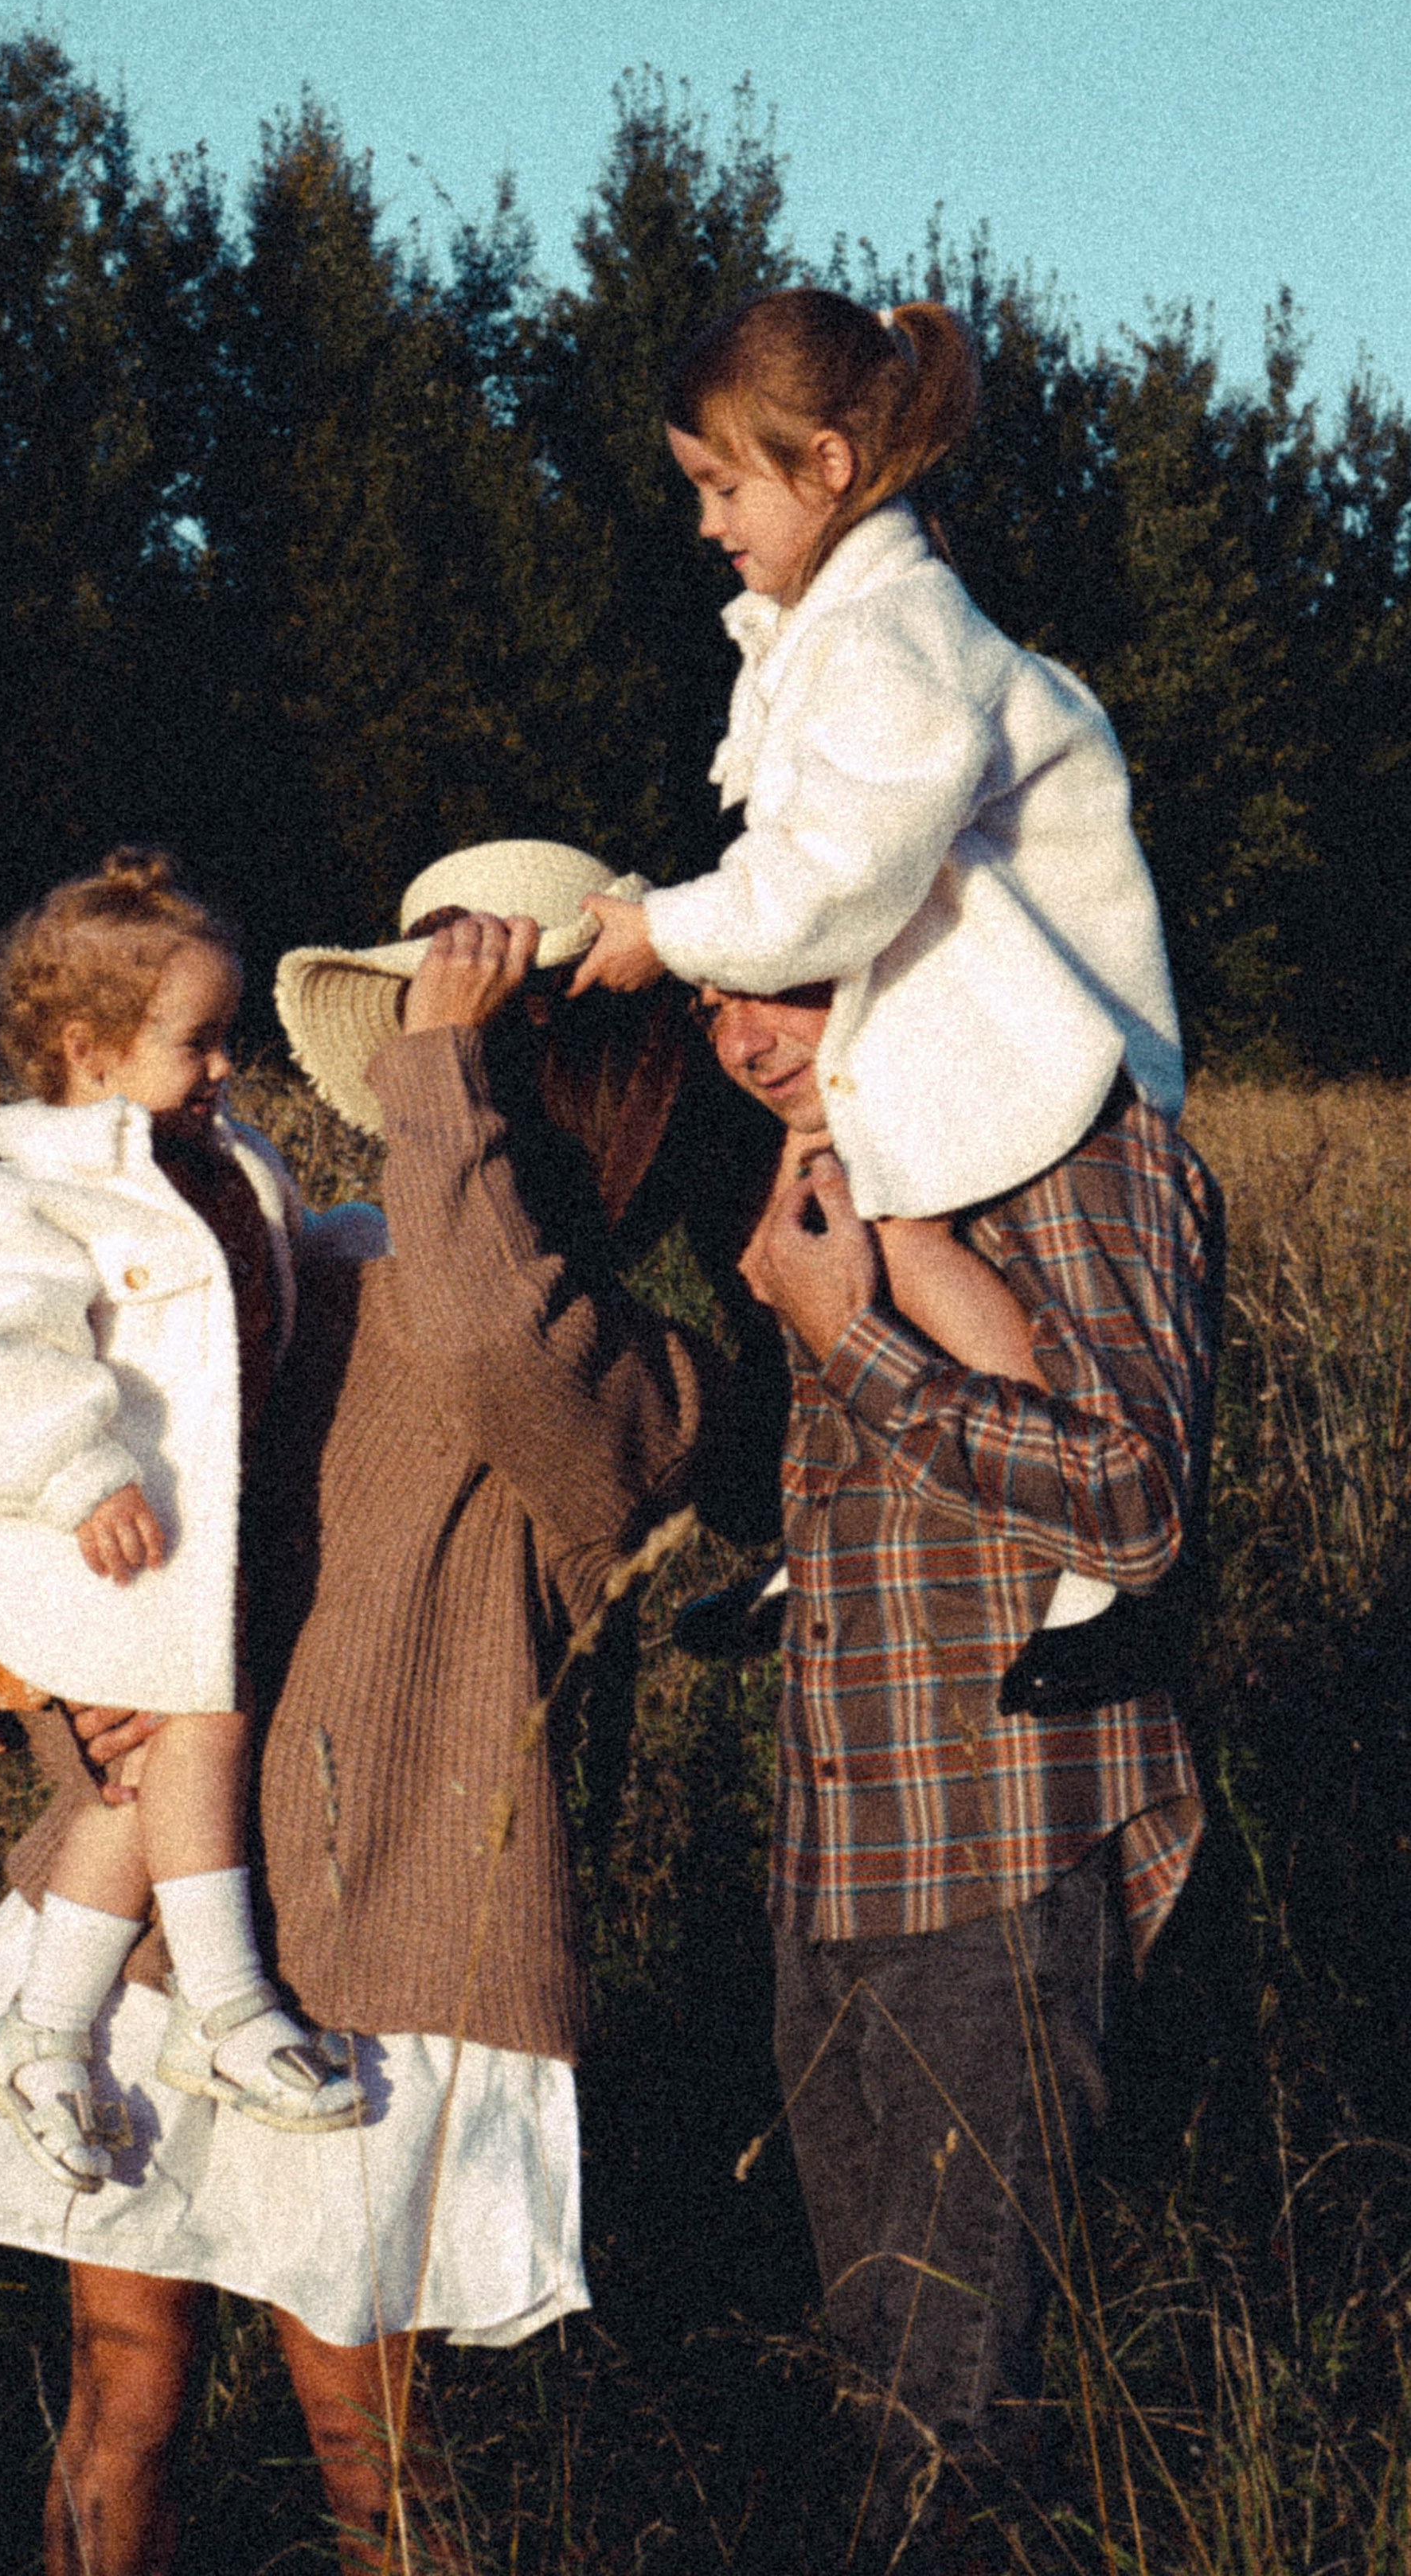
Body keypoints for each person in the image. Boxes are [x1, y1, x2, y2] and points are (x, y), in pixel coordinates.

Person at [0, 840, 758, 2575]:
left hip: (380, 1959)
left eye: (493, 1059)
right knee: (121, 2383)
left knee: (363, 2439)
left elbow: (503, 1337)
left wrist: (445, 1077)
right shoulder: (292, 1266)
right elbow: (70, 1487)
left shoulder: (640, 1379)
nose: (436, 1089)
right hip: (154, 1919)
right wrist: (68, 1701)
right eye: (439, 1054)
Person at [571, 286, 1186, 1703]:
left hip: (1015, 1017)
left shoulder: (892, 634)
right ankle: (817, 1539)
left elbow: (844, 869)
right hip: (923, 1007)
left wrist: (668, 933)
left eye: (725, 486)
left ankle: (1105, 1567)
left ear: (828, 466)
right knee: (802, 1228)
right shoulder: (830, 631)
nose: (709, 523)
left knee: (895, 1241)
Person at [698, 973, 1219, 2558]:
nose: (743, 1039)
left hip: (992, 1860)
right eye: (715, 1004)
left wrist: (847, 1334)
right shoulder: (840, 1163)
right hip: (841, 1858)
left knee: (949, 2428)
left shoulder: (1068, 1154)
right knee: (881, 2398)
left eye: (783, 990)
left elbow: (1134, 1504)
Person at [0, 849, 361, 2194]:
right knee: (202, 1722)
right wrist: (77, 1463)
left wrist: (360, 1249)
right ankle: (224, 2004)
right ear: (91, 1053)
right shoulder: (22, 1203)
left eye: (229, 1041)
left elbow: (274, 1271)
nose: (225, 1069)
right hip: (73, 1532)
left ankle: (44, 2033)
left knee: (141, 1775)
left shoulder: (224, 1164)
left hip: (162, 1542)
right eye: (196, 1043)